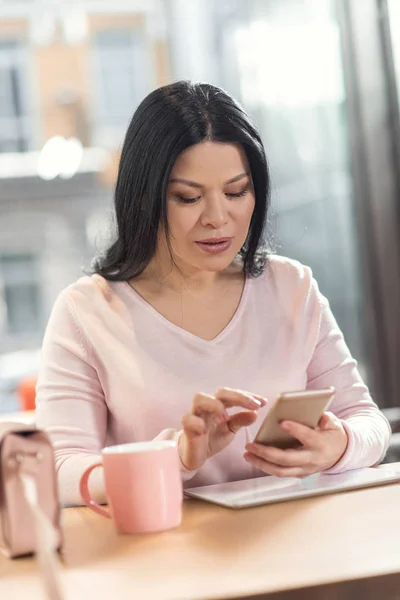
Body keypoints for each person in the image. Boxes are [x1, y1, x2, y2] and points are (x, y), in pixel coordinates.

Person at [36, 81, 391, 507]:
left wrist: (340, 445)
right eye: (188, 198)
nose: (218, 218)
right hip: (165, 554)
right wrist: (174, 457)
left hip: (293, 544)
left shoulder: (291, 288)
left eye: (237, 192)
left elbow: (369, 422)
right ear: (145, 198)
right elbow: (57, 472)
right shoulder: (87, 312)